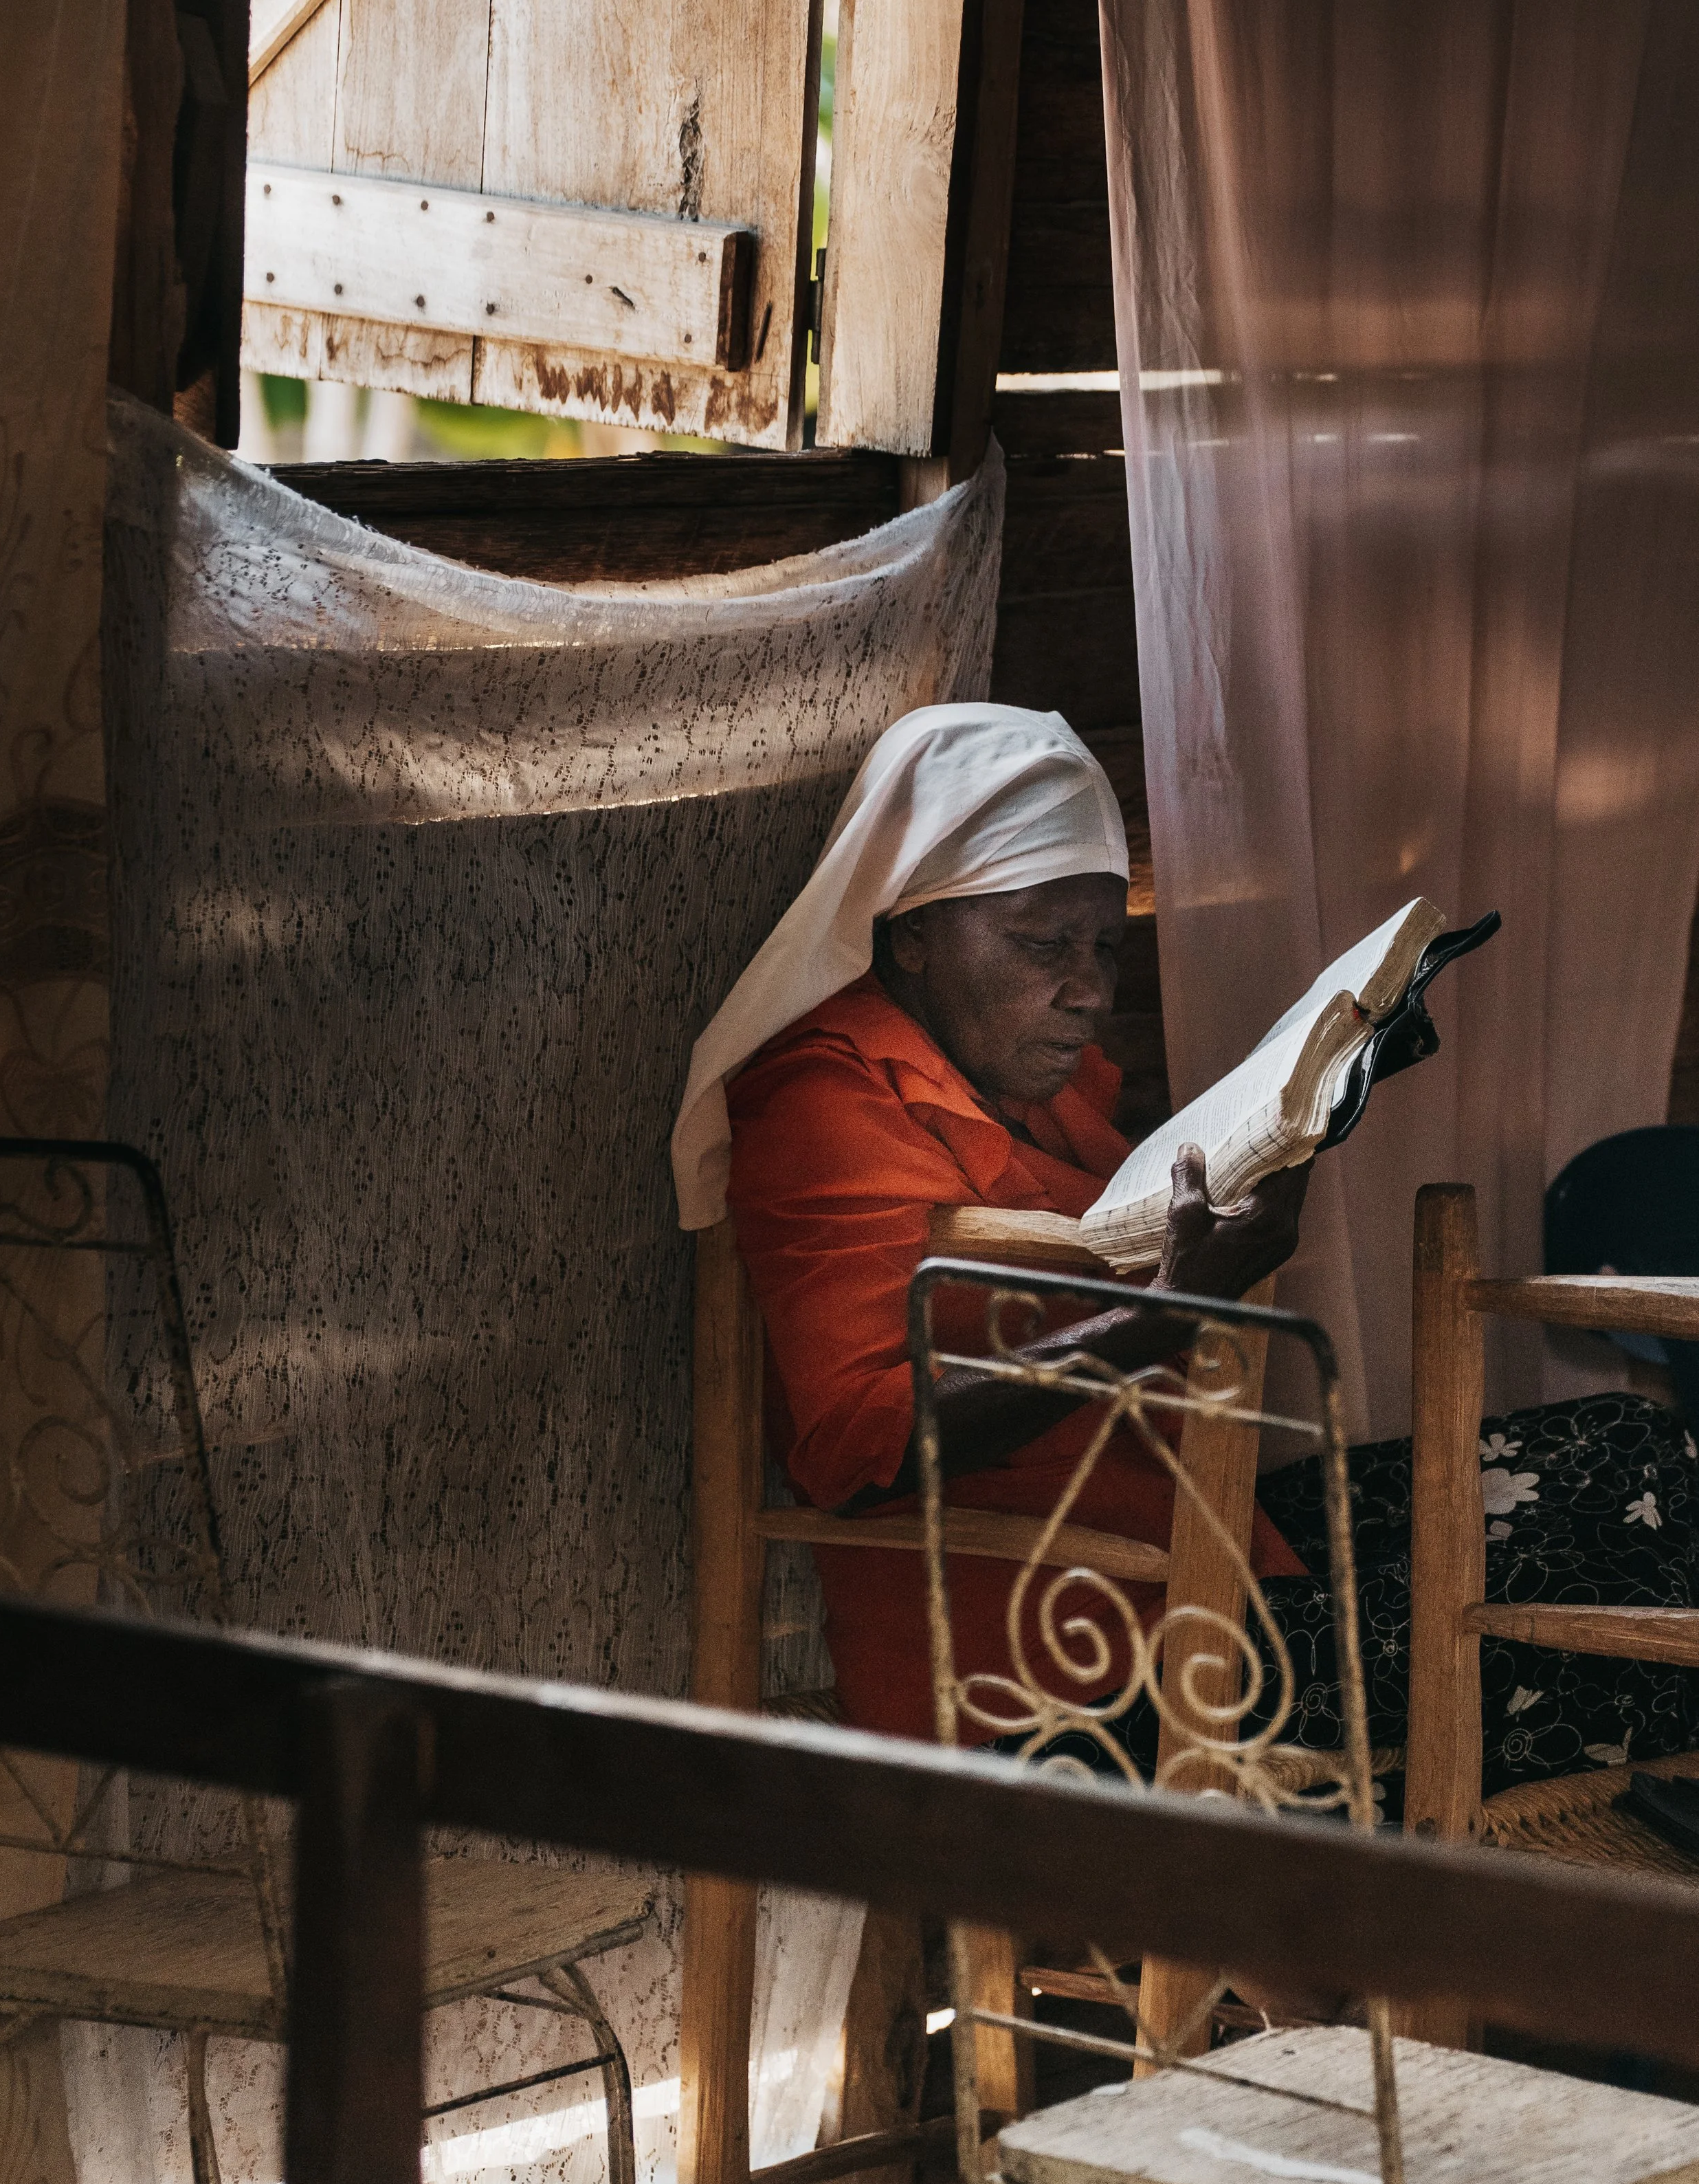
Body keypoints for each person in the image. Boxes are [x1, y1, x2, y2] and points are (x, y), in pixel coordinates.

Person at [672, 705, 1699, 1802]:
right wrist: (1157, 1319)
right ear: (912, 935)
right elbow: (855, 1444)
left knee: (1628, 1456)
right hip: (1052, 1676)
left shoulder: (1049, 1100)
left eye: (1105, 949)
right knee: (1616, 1625)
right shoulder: (828, 1104)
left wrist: (1296, 1131)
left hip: (1192, 1564)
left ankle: (1342, 1898)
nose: (1091, 991)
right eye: (1042, 946)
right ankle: (1325, 1907)